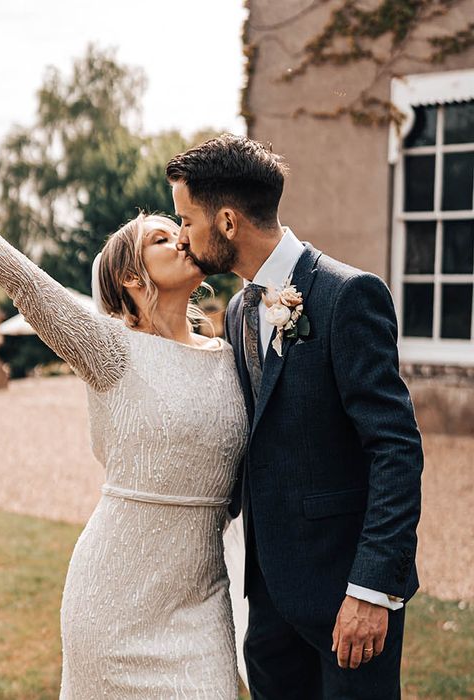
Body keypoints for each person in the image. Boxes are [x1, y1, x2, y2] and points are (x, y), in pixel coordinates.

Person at [0, 150, 248, 698]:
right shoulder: (110, 351)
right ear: (132, 278)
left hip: (203, 605)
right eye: (163, 238)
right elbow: (26, 282)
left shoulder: (233, 358)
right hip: (113, 607)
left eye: (177, 229)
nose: (182, 239)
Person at [167, 134, 424, 699]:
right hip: (268, 602)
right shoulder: (237, 311)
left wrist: (372, 589)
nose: (183, 236)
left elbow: (396, 449)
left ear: (228, 222)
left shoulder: (347, 295)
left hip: (346, 601)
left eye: (187, 220)